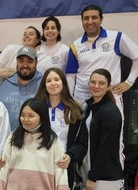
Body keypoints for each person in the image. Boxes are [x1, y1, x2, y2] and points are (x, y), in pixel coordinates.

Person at [65, 4, 138, 169]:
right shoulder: (75, 45)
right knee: (84, 140)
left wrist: (129, 82)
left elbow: (136, 57)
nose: (90, 21)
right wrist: (70, 99)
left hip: (109, 98)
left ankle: (116, 179)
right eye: (86, 18)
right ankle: (85, 180)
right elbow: (70, 75)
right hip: (82, 99)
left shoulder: (117, 37)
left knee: (114, 140)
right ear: (82, 21)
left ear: (101, 19)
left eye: (94, 17)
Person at [0, 98, 69, 190]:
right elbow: (4, 169)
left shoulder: (52, 140)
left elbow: (60, 173)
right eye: (23, 115)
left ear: (42, 117)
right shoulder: (14, 136)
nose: (26, 119)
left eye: (31, 116)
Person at [35, 67, 88, 189]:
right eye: (48, 81)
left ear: (63, 83)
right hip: (38, 166)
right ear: (44, 85)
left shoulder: (75, 111)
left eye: (56, 79)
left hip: (63, 167)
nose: (53, 83)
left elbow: (82, 144)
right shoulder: (36, 109)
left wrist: (70, 156)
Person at [82, 68, 123, 190]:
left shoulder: (110, 112)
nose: (96, 86)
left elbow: (106, 147)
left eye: (101, 83)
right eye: (93, 82)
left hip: (105, 179)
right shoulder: (91, 107)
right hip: (91, 172)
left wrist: (93, 177)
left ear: (108, 86)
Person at [0, 46, 42, 130]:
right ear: (16, 62)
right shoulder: (4, 84)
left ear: (36, 63)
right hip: (7, 139)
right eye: (21, 61)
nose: (25, 65)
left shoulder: (43, 84)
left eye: (30, 61)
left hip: (34, 139)